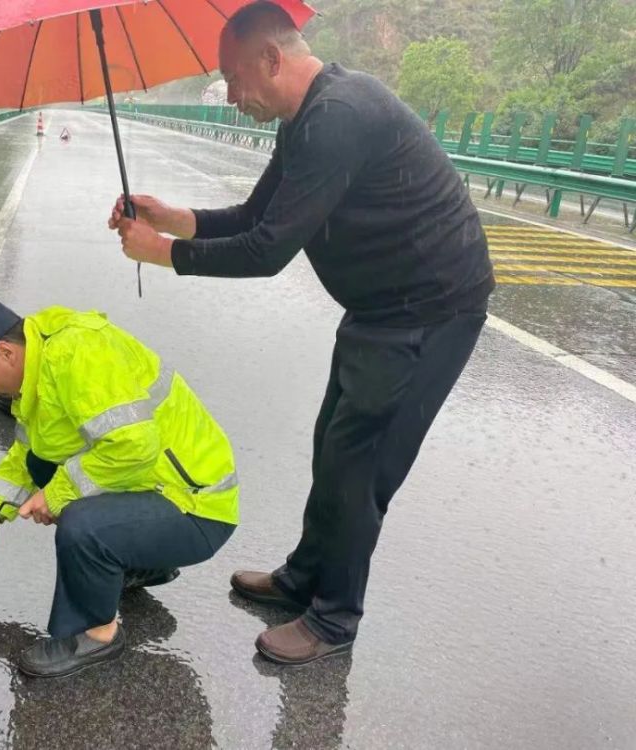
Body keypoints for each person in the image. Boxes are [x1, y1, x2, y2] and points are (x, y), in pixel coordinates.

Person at [108, 0, 494, 665]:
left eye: (234, 79)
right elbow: (257, 216)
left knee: (359, 466)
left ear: (271, 59)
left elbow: (267, 252)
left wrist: (162, 255)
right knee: (332, 444)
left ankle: (334, 619)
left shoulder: (338, 119)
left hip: (431, 310)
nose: (231, 97)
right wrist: (172, 218)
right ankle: (304, 577)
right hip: (379, 307)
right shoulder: (304, 120)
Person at [0, 300, 239, 677]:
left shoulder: (76, 355)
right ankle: (139, 562)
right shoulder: (41, 367)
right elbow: (27, 455)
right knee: (44, 465)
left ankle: (98, 633)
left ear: (4, 352)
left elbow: (134, 444)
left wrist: (56, 495)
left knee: (82, 525)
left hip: (198, 506)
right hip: (157, 489)